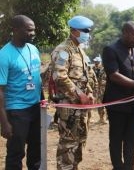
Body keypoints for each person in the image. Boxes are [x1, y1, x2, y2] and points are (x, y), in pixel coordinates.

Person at [102, 21, 134, 170]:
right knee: (117, 138)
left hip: (133, 104)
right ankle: (118, 166)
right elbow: (114, 75)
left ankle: (129, 166)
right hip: (117, 104)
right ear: (125, 33)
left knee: (131, 138)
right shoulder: (111, 50)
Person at [50, 15, 95, 169]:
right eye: (85, 30)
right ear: (74, 31)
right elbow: (59, 76)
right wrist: (79, 94)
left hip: (82, 108)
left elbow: (85, 77)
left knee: (79, 144)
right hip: (69, 108)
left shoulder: (80, 51)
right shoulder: (63, 50)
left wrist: (88, 92)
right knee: (68, 146)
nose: (88, 33)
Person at [0, 15, 41, 170]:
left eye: (34, 30)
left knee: (36, 151)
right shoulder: (4, 55)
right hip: (17, 111)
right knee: (16, 153)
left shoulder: (34, 49)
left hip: (36, 107)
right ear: (15, 30)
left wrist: (42, 103)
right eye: (29, 30)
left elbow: (37, 79)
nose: (32, 33)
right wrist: (4, 123)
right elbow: (0, 91)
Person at [93, 56, 107, 124]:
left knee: (108, 104)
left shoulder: (106, 70)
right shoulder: (95, 69)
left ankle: (107, 118)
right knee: (99, 104)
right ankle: (101, 118)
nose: (96, 63)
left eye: (97, 62)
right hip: (99, 90)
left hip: (106, 90)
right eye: (95, 62)